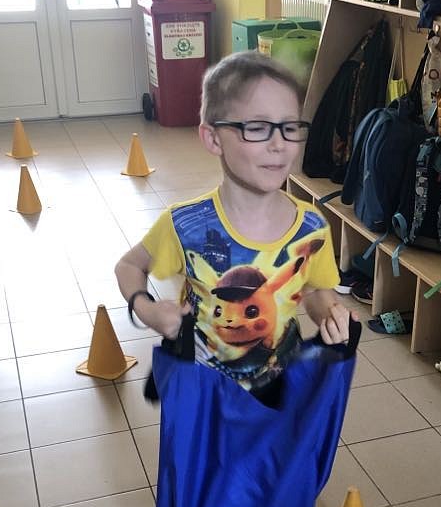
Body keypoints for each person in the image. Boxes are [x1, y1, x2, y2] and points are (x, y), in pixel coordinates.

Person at [114, 51, 355, 396]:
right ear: (213, 139)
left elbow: (315, 290)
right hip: (201, 395)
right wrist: (147, 309)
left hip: (275, 392)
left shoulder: (311, 228)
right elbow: (128, 266)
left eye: (289, 128)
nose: (279, 144)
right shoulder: (186, 225)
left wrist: (331, 314)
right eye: (257, 128)